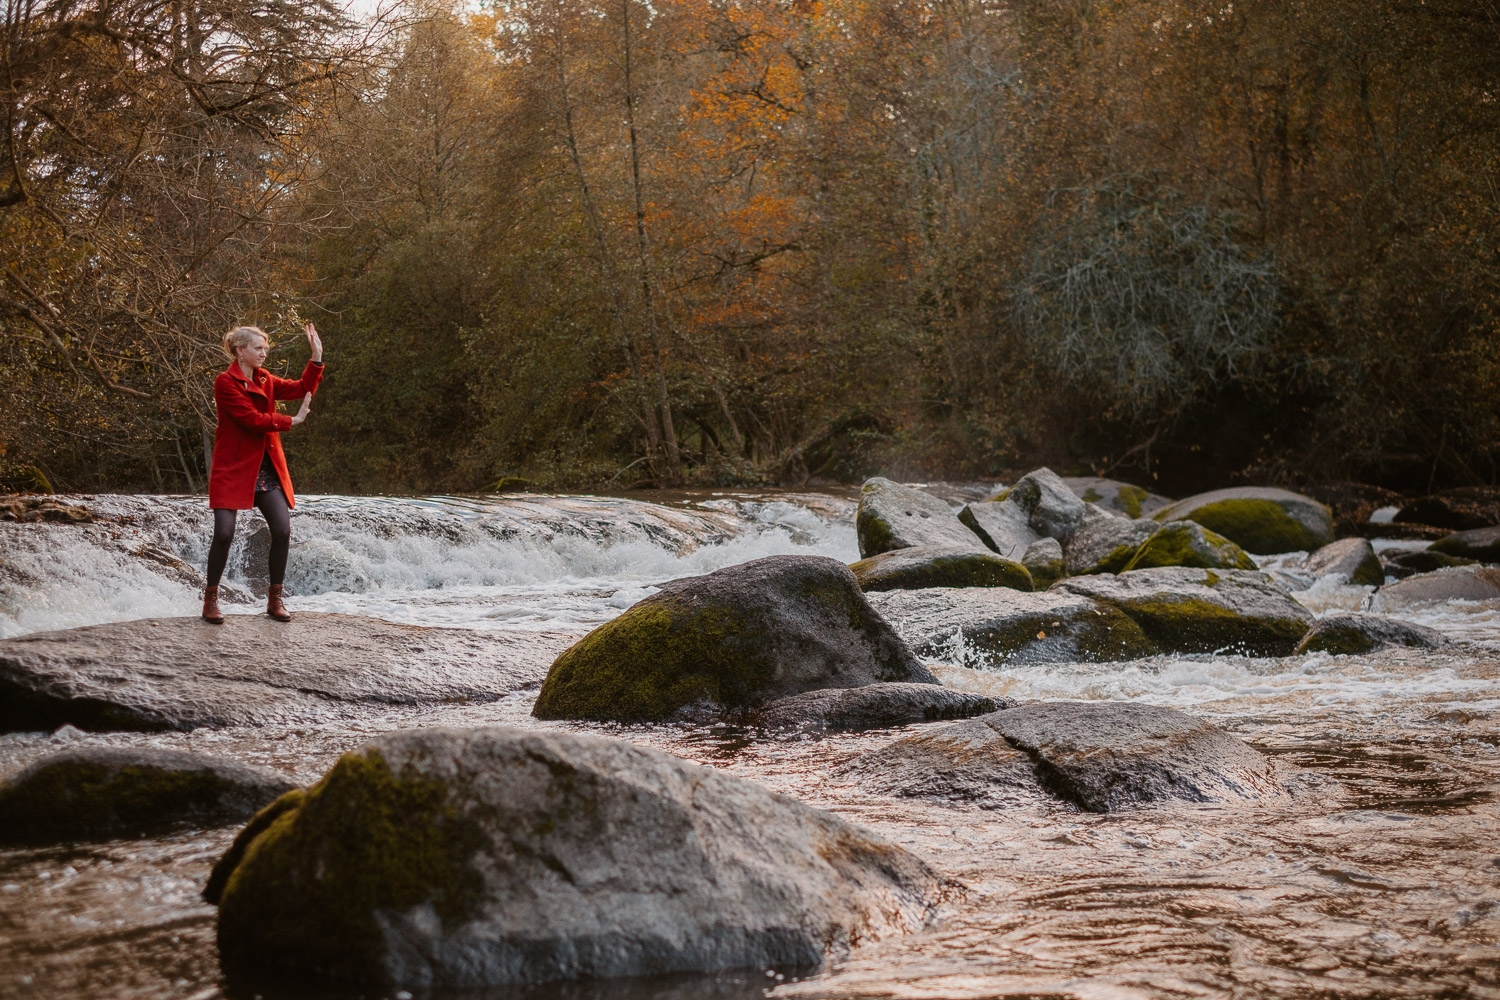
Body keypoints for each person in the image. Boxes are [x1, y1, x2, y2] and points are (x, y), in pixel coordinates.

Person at [202, 323, 325, 623]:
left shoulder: (266, 379)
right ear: (240, 351)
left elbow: (299, 388)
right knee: (223, 534)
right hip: (233, 467)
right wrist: (291, 421)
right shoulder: (224, 382)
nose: (264, 353)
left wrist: (317, 358)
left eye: (265, 348)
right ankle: (211, 599)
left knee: (282, 530)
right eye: (258, 348)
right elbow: (252, 420)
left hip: (265, 468)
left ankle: (275, 599)